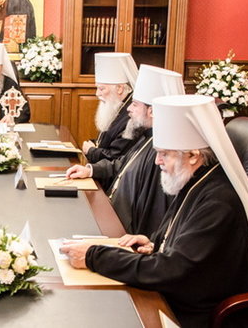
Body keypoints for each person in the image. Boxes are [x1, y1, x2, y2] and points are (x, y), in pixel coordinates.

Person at [61, 95, 248, 327]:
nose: (157, 161)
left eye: (164, 153)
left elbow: (171, 269)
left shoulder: (219, 201)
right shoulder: (196, 178)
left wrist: (93, 256)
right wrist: (155, 241)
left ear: (193, 155)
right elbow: (185, 240)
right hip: (178, 294)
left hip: (194, 314)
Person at [67, 65, 184, 236]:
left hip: (124, 230)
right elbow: (122, 164)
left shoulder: (163, 152)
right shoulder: (147, 136)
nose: (128, 108)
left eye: (135, 105)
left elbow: (155, 211)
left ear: (151, 111)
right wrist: (90, 170)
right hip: (112, 212)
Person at [82, 52, 138, 164]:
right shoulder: (116, 105)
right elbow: (106, 141)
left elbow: (116, 157)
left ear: (119, 89)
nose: (97, 94)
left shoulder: (132, 116)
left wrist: (91, 151)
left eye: (102, 89)